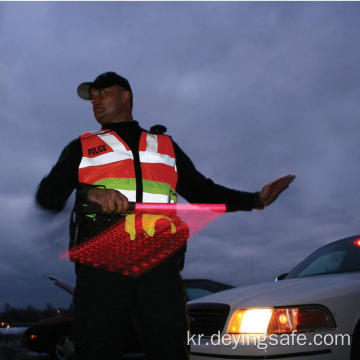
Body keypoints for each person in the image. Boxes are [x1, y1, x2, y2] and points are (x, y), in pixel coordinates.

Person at [36, 71, 295, 360]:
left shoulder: (165, 147)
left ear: (126, 95)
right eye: (91, 97)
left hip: (159, 270)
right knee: (96, 350)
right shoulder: (81, 147)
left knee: (171, 350)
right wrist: (89, 194)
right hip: (102, 270)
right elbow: (47, 196)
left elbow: (203, 191)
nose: (94, 101)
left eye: (101, 93)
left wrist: (256, 200)